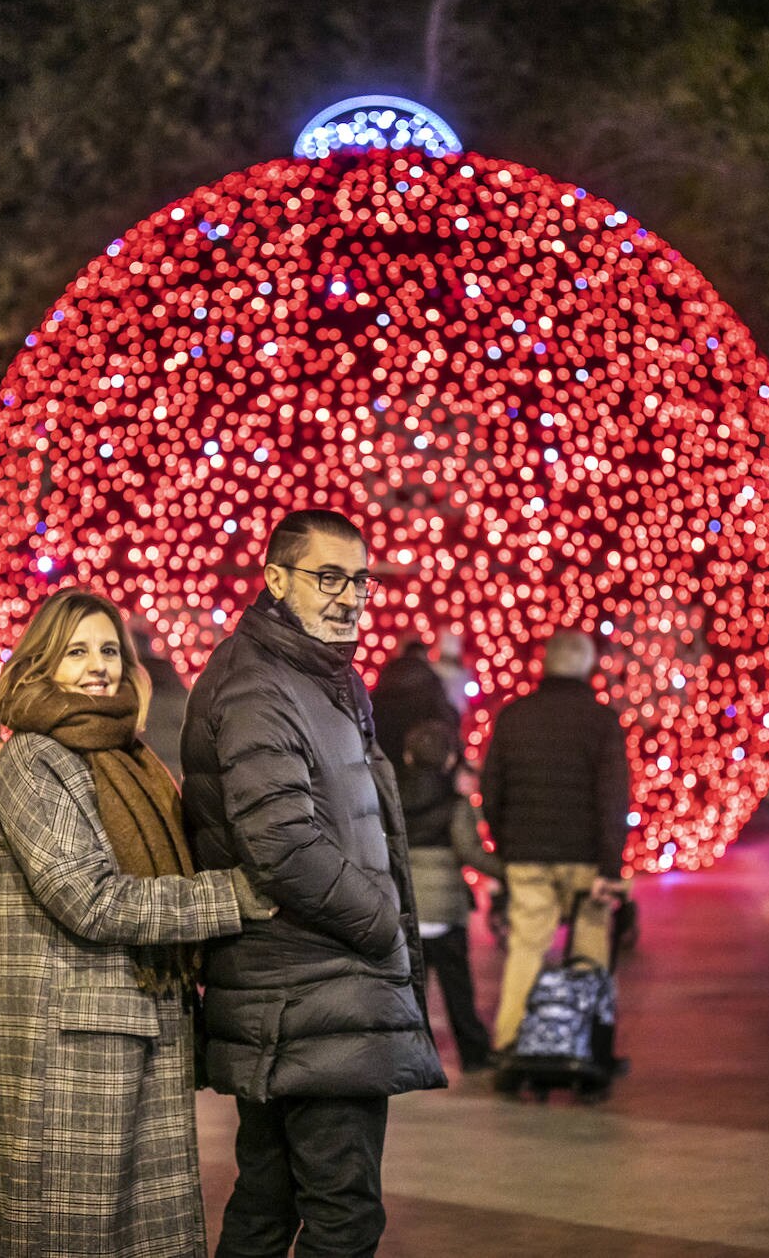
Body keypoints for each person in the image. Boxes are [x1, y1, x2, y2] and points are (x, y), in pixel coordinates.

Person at [181, 509, 446, 1258]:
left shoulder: (315, 674)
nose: (350, 594)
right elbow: (284, 842)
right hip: (313, 986)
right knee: (343, 1213)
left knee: (268, 1202)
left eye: (359, 578)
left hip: (297, 992)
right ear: (275, 579)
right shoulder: (260, 686)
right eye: (328, 576)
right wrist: (380, 924)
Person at [0, 588, 271, 1258]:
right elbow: (91, 899)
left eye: (109, 649)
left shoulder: (131, 756)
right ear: (42, 663)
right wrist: (231, 896)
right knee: (73, 1237)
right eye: (77, 651)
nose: (99, 665)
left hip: (143, 1027)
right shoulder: (36, 760)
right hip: (71, 1050)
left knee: (142, 1237)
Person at [480, 629, 629, 1057]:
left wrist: (506, 841)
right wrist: (610, 867)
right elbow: (612, 798)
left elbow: (491, 789)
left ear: (545, 664)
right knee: (589, 953)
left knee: (526, 949)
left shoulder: (514, 716)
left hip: (527, 854)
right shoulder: (602, 721)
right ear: (587, 666)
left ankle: (509, 1042)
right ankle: (588, 1044)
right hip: (585, 858)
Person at [396, 719, 502, 1072]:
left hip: (407, 909)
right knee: (458, 987)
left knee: (410, 990)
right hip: (445, 911)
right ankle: (474, 1053)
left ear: (408, 758)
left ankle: (410, 1057)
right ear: (447, 762)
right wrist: (507, 870)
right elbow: (470, 852)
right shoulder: (456, 805)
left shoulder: (391, 799)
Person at [370, 638, 460, 770]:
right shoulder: (431, 682)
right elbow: (447, 718)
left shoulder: (386, 679)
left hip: (384, 755)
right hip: (420, 759)